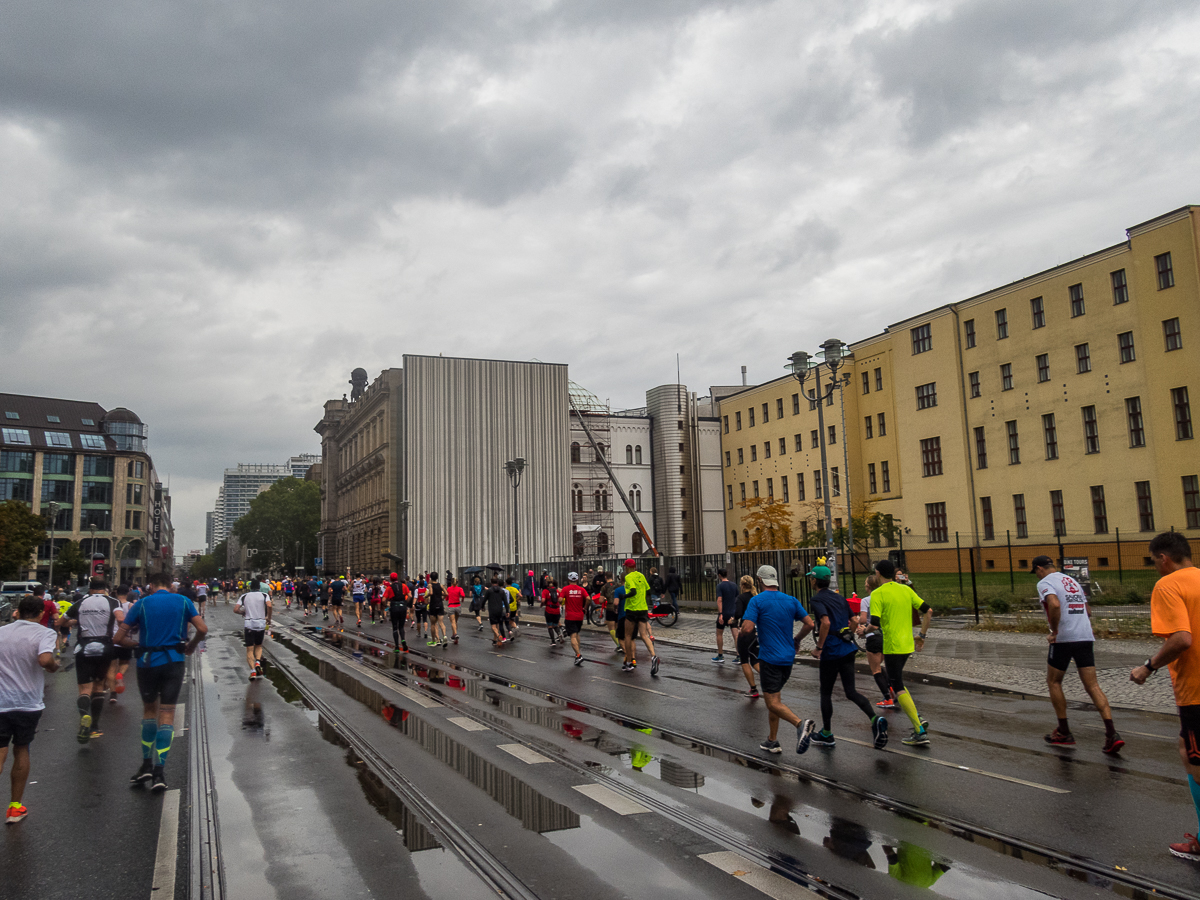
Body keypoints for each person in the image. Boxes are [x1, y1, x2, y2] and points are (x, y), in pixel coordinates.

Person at [1130, 533, 1200, 860]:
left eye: (1154, 562)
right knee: (1185, 749)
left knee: (1193, 757)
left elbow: (1182, 639)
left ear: (1164, 559)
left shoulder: (1169, 585)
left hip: (1196, 690)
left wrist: (1149, 666)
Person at [113, 570, 207, 791]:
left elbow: (118, 638)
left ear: (151, 586)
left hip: (147, 663)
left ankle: (145, 764)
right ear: (170, 585)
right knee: (167, 713)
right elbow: (202, 629)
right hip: (173, 662)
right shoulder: (183, 601)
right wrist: (191, 646)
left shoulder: (142, 604)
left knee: (149, 711)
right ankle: (159, 772)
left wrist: (138, 645)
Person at [1032, 555, 1123, 753]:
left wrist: (1054, 631)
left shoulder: (1044, 582)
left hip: (1065, 638)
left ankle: (1064, 731)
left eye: (1036, 572)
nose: (1036, 575)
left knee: (1054, 682)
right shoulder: (1070, 580)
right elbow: (1088, 610)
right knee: (1092, 685)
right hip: (1085, 636)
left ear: (1039, 568)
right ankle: (1111, 733)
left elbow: (1054, 604)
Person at [805, 564, 888, 750]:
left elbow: (825, 622)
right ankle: (875, 719)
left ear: (814, 580)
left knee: (825, 693)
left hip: (831, 651)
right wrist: (849, 634)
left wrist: (819, 647)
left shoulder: (817, 600)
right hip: (847, 648)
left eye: (811, 578)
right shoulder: (839, 597)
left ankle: (826, 733)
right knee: (851, 691)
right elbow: (854, 620)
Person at [738, 565, 815, 754]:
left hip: (769, 658)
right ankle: (772, 741)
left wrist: (741, 631)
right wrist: (796, 639)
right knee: (776, 699)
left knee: (771, 702)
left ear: (759, 580)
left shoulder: (757, 601)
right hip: (787, 658)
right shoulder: (790, 600)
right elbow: (810, 624)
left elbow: (747, 628)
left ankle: (800, 724)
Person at [0, 594, 60, 823]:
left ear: (18, 611)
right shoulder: (44, 632)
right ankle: (15, 808)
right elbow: (45, 659)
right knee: (21, 748)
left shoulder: (2, 631)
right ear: (41, 613)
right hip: (27, 702)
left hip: (1, 700)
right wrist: (54, 666)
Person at [867, 560, 931, 746]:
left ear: (878, 573)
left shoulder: (878, 594)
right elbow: (929, 611)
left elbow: (875, 623)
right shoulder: (906, 590)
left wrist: (864, 630)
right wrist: (922, 636)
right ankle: (917, 718)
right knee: (898, 682)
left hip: (893, 645)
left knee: (897, 685)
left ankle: (919, 731)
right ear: (894, 573)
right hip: (907, 644)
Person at [67, 577, 122, 743]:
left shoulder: (81, 602)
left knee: (85, 689)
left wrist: (74, 621)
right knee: (99, 686)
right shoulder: (113, 601)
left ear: (90, 589)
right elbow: (120, 619)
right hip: (105, 647)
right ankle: (95, 726)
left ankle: (85, 716)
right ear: (105, 589)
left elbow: (63, 621)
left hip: (83, 647)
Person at [859, 573, 895, 708]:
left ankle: (887, 698)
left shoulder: (866, 600)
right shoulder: (885, 598)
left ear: (868, 586)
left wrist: (858, 623)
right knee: (880, 665)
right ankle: (891, 690)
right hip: (886, 635)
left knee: (875, 670)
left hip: (873, 636)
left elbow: (863, 620)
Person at [621, 560, 659, 675]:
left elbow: (632, 591)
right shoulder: (641, 575)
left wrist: (624, 596)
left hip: (632, 609)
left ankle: (628, 662)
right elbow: (648, 591)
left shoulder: (628, 577)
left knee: (628, 635)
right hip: (643, 608)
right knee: (644, 635)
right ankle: (653, 656)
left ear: (627, 567)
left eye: (625, 567)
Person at [234, 579, 272, 680]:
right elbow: (269, 605)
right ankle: (258, 662)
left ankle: (253, 671)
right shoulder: (264, 595)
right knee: (259, 646)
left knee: (249, 649)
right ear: (259, 587)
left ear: (250, 587)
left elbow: (235, 609)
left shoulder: (244, 596)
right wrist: (268, 618)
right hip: (260, 623)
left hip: (249, 624)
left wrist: (242, 612)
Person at [734, 575, 761, 697]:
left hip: (745, 632)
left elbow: (738, 613)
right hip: (757, 631)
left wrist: (732, 619)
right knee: (755, 658)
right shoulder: (756, 597)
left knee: (744, 661)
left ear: (743, 585)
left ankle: (753, 689)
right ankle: (771, 678)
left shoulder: (741, 598)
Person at [107, 584, 134, 704]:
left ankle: (113, 694)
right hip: (125, 639)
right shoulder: (130, 606)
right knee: (125, 662)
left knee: (111, 668)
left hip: (111, 639)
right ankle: (121, 674)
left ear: (116, 593)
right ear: (128, 593)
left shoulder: (111, 605)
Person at [560, 573, 589, 666]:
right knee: (576, 634)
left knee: (572, 636)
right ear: (577, 580)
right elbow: (588, 598)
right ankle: (577, 654)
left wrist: (563, 598)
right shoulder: (582, 589)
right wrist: (585, 607)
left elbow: (560, 600)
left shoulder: (565, 589)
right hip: (580, 616)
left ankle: (578, 655)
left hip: (570, 616)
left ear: (568, 580)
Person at [713, 568, 739, 663]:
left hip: (724, 613)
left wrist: (720, 614)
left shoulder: (720, 586)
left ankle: (720, 655)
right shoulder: (734, 585)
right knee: (735, 635)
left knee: (719, 633)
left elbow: (719, 600)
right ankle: (738, 655)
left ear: (719, 575)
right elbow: (737, 598)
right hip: (733, 613)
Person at [385, 574, 410, 652]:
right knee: (401, 626)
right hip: (403, 607)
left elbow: (383, 599)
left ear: (390, 579)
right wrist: (406, 603)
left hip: (394, 607)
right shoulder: (403, 586)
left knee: (395, 627)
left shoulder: (389, 588)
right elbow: (410, 595)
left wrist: (386, 604)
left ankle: (396, 647)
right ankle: (403, 640)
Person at [485, 578, 509, 645]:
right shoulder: (501, 591)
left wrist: (482, 606)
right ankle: (495, 640)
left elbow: (484, 599)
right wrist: (507, 611)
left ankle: (498, 636)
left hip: (492, 610)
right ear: (498, 582)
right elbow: (505, 602)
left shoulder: (489, 591)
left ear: (491, 582)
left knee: (493, 626)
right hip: (500, 610)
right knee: (497, 624)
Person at [427, 573, 447, 647]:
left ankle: (433, 641)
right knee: (441, 623)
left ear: (431, 578)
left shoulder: (430, 585)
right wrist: (441, 597)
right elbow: (446, 593)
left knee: (433, 624)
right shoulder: (440, 585)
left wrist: (426, 595)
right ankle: (444, 636)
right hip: (440, 604)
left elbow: (431, 593)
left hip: (433, 605)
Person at [541, 577, 562, 644]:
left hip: (549, 610)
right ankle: (559, 634)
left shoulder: (545, 591)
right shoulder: (557, 590)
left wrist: (542, 604)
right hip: (557, 610)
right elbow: (560, 599)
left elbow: (543, 600)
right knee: (555, 625)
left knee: (550, 626)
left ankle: (553, 641)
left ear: (546, 582)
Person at [446, 576, 464, 644]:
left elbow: (446, 598)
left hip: (451, 606)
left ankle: (455, 634)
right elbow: (463, 595)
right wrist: (462, 599)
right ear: (457, 582)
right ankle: (454, 636)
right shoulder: (460, 588)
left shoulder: (449, 589)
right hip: (458, 606)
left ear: (451, 582)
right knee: (456, 621)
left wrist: (446, 598)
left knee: (453, 622)